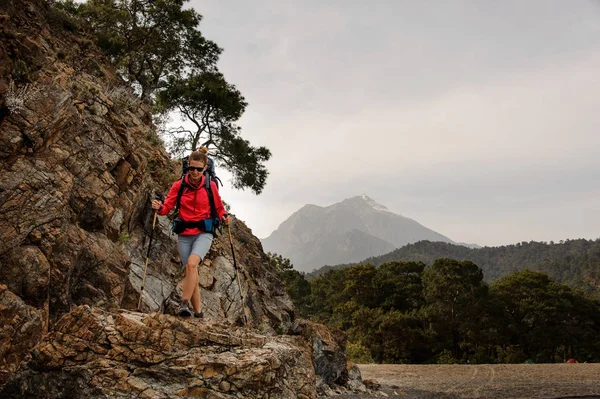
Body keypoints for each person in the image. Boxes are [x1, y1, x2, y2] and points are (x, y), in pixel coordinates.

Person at [151, 150, 231, 317]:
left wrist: (225, 217)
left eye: (199, 169)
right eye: (192, 168)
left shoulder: (210, 186)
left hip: (204, 232)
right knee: (190, 271)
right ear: (187, 167)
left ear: (204, 169)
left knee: (192, 264)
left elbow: (219, 208)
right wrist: (159, 208)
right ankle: (199, 313)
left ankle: (184, 304)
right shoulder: (178, 186)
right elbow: (167, 207)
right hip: (184, 234)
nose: (195, 172)